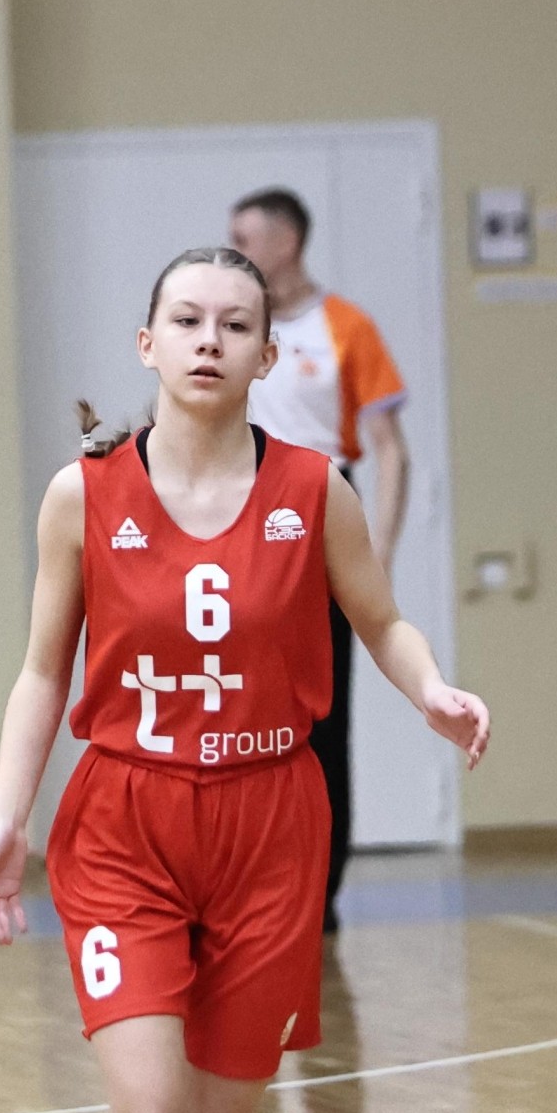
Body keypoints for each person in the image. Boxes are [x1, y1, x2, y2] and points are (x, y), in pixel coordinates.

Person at [0, 246, 487, 1113]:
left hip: (267, 827)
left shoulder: (314, 488)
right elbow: (40, 670)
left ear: (264, 353)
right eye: (185, 319)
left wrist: (428, 688)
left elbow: (379, 619)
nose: (207, 339)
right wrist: (4, 816)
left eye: (232, 324)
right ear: (145, 344)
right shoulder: (81, 494)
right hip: (126, 822)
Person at [229, 189, 411, 932]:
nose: (234, 248)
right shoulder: (236, 326)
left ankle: (319, 891)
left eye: (245, 237)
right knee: (241, 705)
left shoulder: (347, 326)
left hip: (322, 513)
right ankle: (241, 883)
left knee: (322, 716)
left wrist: (378, 553)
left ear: (287, 242)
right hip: (241, 515)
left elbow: (392, 450)